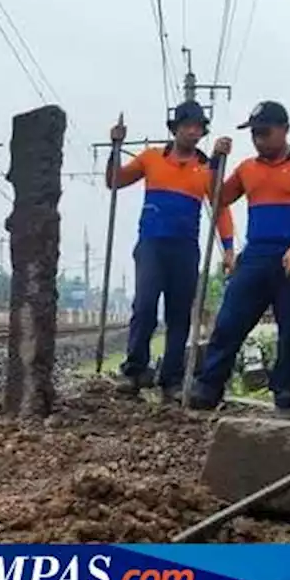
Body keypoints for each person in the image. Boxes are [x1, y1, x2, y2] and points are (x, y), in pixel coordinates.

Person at [189, 101, 290, 417]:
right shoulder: (247, 169)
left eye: (265, 132)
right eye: (254, 134)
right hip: (256, 255)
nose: (258, 139)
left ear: (285, 130)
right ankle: (209, 386)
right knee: (229, 321)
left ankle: (284, 397)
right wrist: (215, 162)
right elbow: (218, 198)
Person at [106, 100, 235, 400]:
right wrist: (115, 148)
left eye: (198, 128)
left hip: (185, 248)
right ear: (175, 129)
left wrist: (228, 248)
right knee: (145, 306)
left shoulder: (205, 167)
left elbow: (220, 208)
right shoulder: (152, 158)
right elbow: (114, 181)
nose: (193, 132)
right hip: (151, 244)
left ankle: (172, 379)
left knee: (179, 315)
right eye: (187, 126)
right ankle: (134, 369)